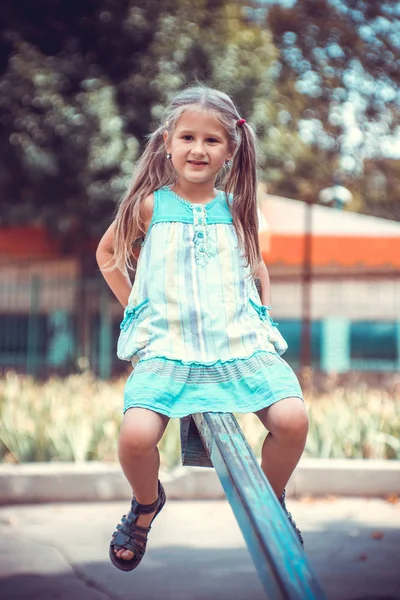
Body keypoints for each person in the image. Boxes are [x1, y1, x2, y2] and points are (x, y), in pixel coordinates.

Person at [96, 85, 308, 572]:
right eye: (187, 137)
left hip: (237, 348)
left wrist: (262, 319)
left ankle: (271, 500)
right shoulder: (149, 206)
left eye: (211, 140)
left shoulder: (238, 209)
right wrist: (138, 313)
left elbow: (256, 268)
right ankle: (146, 504)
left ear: (230, 150)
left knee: (293, 420)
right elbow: (107, 256)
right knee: (134, 437)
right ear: (167, 143)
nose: (198, 149)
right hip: (169, 352)